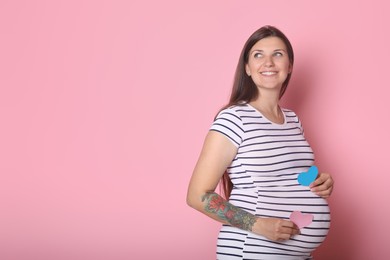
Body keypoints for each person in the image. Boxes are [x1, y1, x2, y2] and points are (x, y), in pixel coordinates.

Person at [186, 25, 334, 259]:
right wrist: (257, 225)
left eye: (278, 54)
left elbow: (287, 178)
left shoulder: (293, 120)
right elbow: (197, 195)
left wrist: (319, 182)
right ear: (247, 67)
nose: (268, 62)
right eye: (258, 55)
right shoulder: (234, 118)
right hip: (253, 250)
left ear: (290, 66)